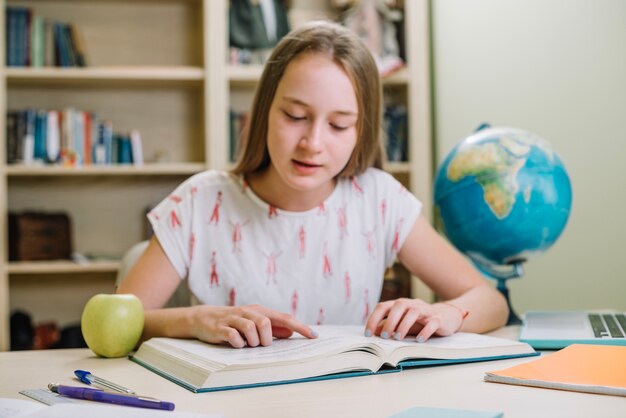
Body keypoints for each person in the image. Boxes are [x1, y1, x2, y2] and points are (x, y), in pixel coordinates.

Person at [117, 20, 508, 349]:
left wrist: (447, 312)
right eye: (295, 115)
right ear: (264, 111)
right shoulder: (202, 201)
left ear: (361, 131)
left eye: (338, 125)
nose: (313, 144)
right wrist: (196, 320)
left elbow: (491, 301)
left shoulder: (379, 199)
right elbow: (114, 323)